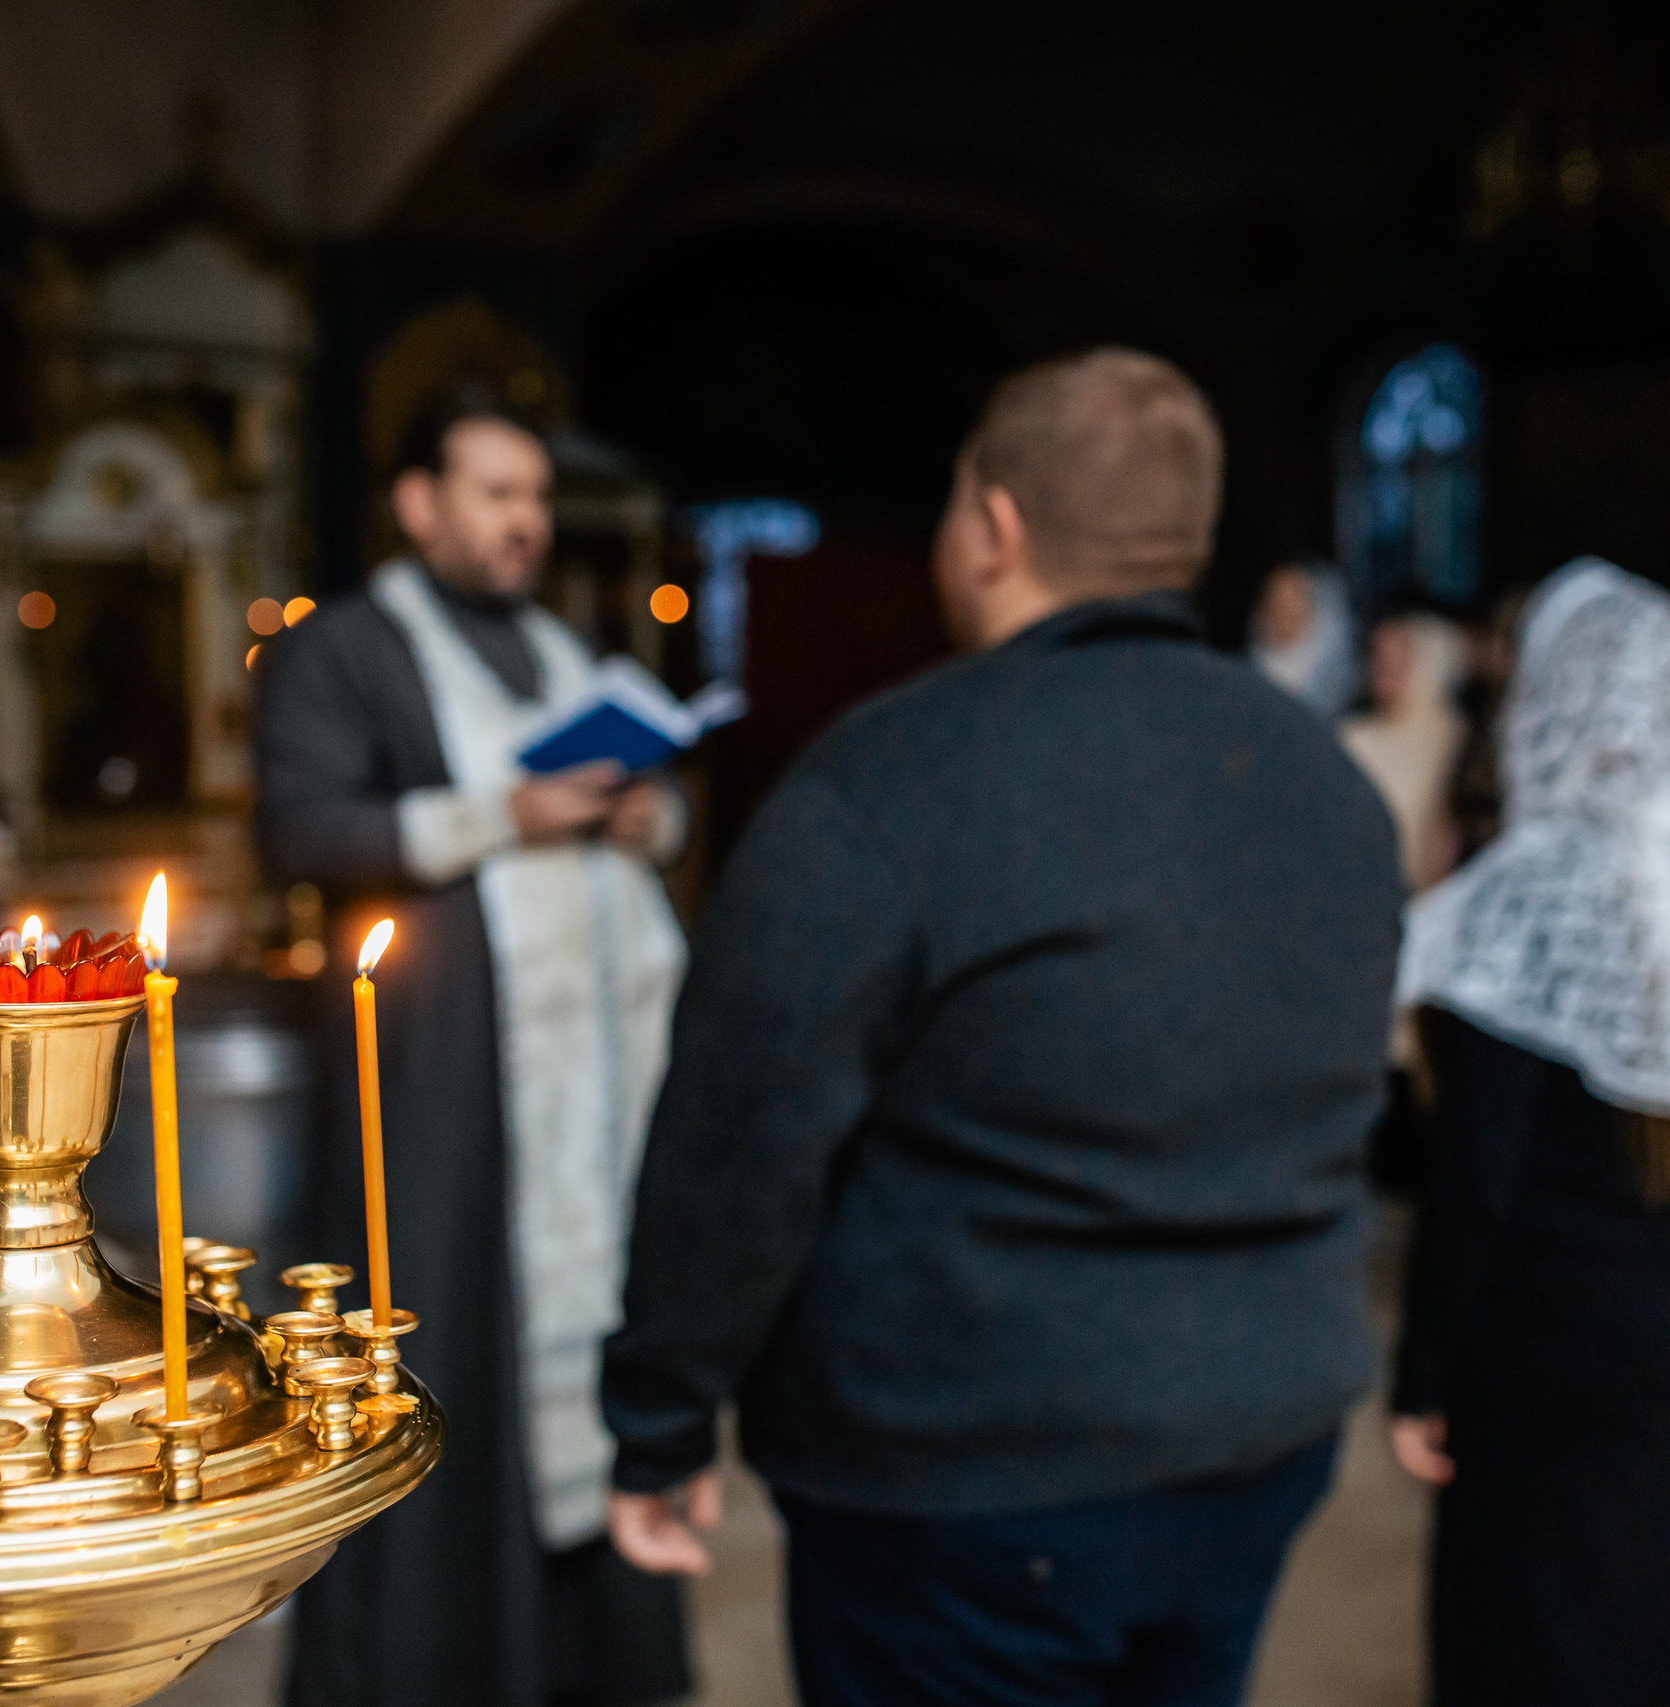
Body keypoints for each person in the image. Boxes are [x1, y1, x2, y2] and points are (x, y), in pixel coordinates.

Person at [601, 348, 1405, 1707]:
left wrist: (661, 1413)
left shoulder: (889, 777)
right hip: (1264, 1427)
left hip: (973, 1458)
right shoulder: (1327, 776)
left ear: (995, 525)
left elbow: (740, 1140)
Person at [256, 384, 692, 1707]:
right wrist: (502, 812)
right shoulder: (346, 648)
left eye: (537, 497)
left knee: (596, 1340)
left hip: (589, 1093)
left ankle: (587, 1666)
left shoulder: (563, 650)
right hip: (445, 1090)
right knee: (451, 1360)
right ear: (418, 501)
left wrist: (646, 818)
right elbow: (305, 832)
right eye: (496, 494)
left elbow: (650, 810)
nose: (526, 522)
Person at [1391, 558, 1670, 1707]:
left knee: (1522, 1607)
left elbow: (1475, 1177)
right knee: (1642, 1580)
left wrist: (1421, 1371)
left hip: (1543, 1329)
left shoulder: (1525, 893)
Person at [1339, 609, 1466, 894]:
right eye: (1378, 660)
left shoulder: (1453, 736)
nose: (1385, 672)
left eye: (1399, 661)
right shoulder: (1351, 735)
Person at [1251, 559, 1361, 717]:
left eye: (1295, 598)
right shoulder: (1256, 669)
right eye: (1280, 602)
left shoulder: (1338, 664)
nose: (1288, 610)